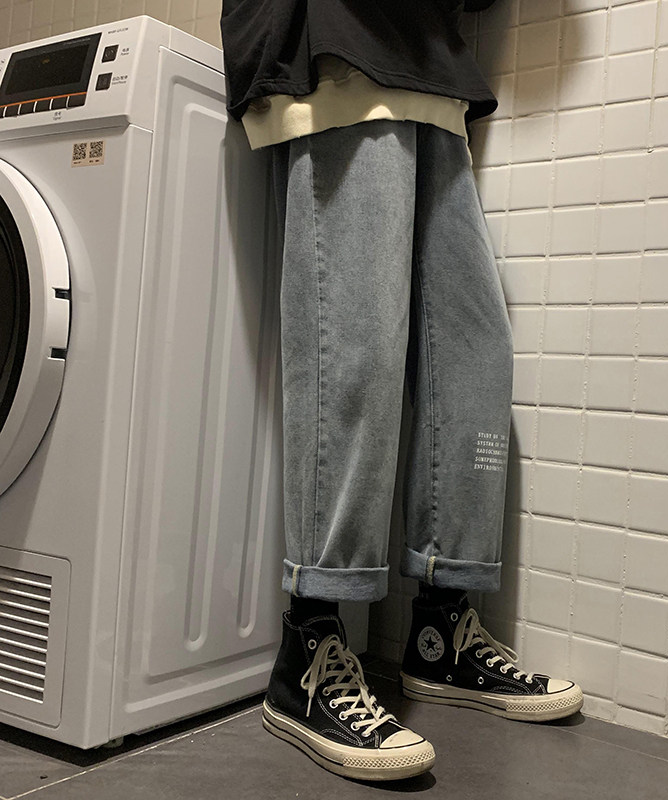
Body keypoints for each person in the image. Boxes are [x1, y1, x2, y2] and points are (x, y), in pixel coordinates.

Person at [220, 0, 583, 782]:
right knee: (355, 342)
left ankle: (441, 631)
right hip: (335, 47)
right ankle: (309, 645)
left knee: (476, 353)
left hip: (430, 71)